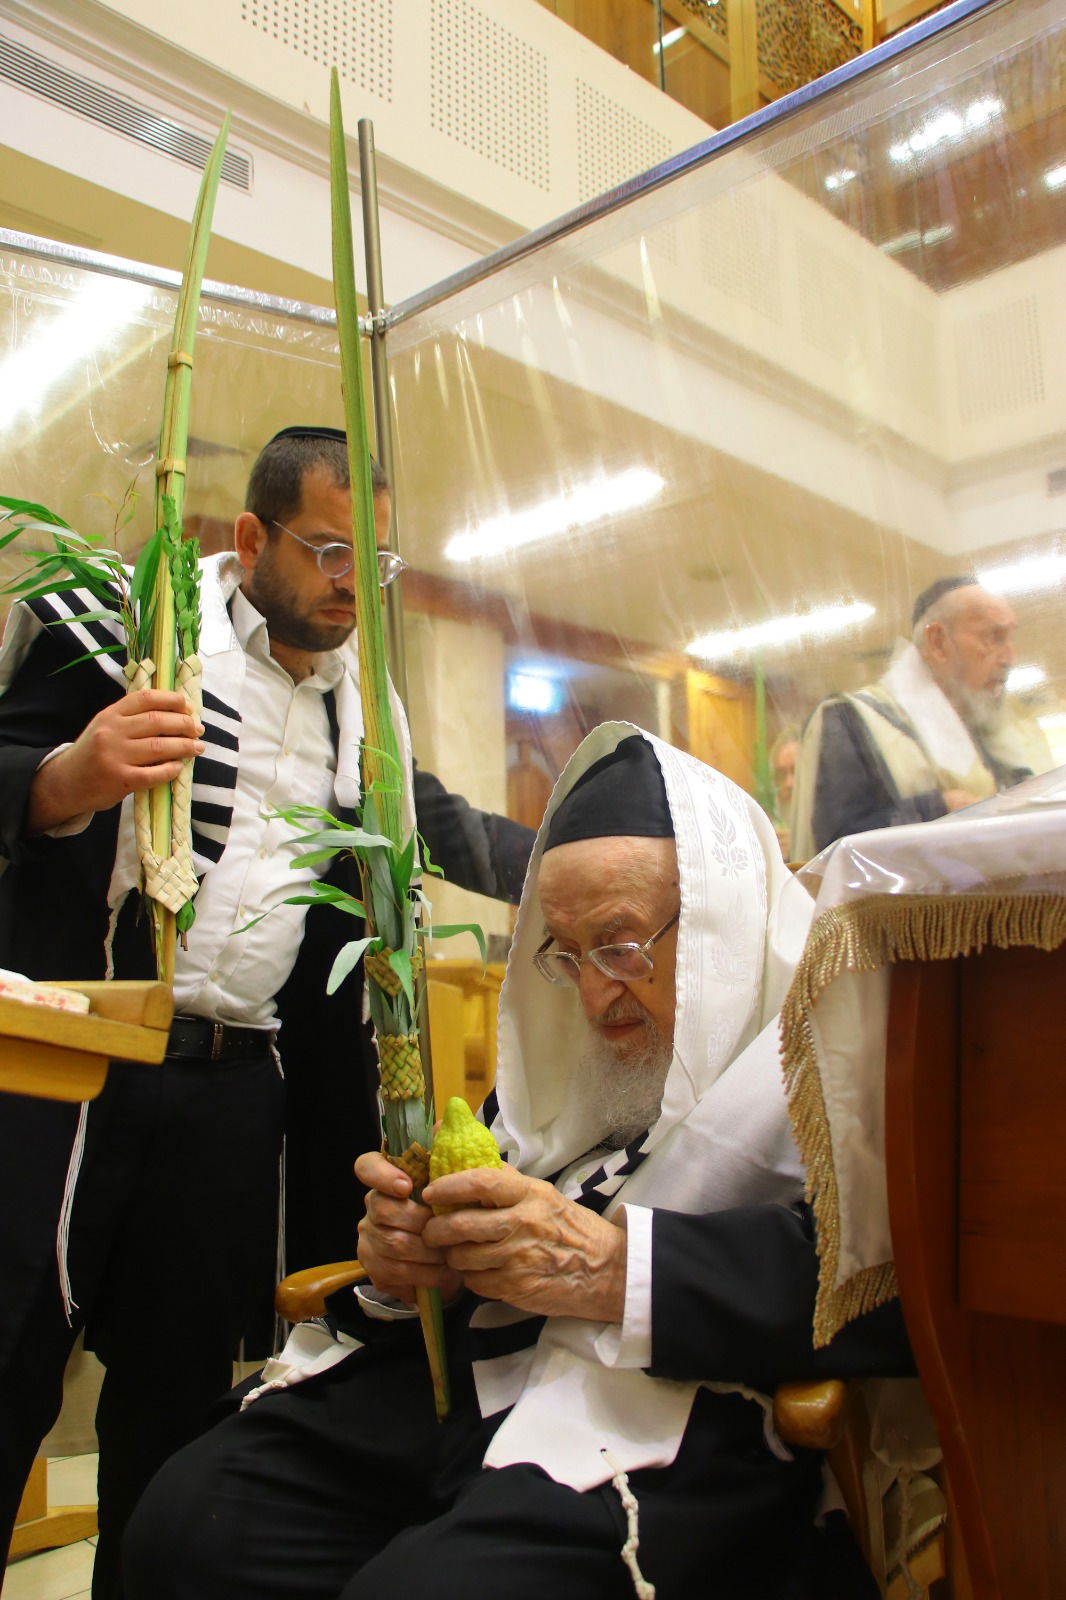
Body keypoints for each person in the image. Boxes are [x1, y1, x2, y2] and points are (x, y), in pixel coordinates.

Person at [123, 726, 913, 1600]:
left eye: (619, 945)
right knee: (190, 1525)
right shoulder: (573, 1047)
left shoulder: (833, 1060)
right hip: (477, 1381)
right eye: (564, 954)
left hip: (678, 1407)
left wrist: (618, 1270)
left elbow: (894, 1293)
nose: (589, 992)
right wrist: (411, 1263)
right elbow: (485, 1230)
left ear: (726, 926)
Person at [0, 425, 531, 1596]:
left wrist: (581, 855)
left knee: (178, 1402)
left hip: (235, 1090)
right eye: (332, 548)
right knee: (12, 1359)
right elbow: (15, 762)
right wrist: (70, 777)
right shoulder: (132, 629)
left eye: (375, 561)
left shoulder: (360, 702)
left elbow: (426, 825)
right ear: (250, 539)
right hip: (85, 1067)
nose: (354, 581)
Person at [790, 575, 1053, 858]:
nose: (1009, 656)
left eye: (1010, 637)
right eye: (994, 637)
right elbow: (832, 855)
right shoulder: (849, 720)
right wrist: (939, 808)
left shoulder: (998, 735)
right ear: (937, 642)